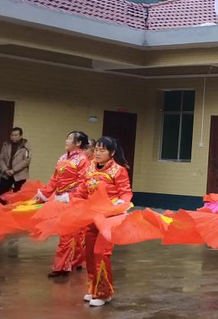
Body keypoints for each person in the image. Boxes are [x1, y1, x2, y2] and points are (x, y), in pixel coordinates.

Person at [74, 136, 133, 307]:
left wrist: (121, 203)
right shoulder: (89, 167)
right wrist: (71, 199)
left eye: (102, 150)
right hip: (91, 216)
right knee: (89, 254)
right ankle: (93, 289)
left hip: (109, 219)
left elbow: (125, 192)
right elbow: (82, 190)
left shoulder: (118, 170)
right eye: (96, 149)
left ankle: (103, 293)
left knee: (101, 253)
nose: (98, 153)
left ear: (112, 153)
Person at [37, 131, 91, 278]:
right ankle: (75, 261)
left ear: (78, 143)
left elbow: (84, 183)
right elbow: (54, 179)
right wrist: (43, 194)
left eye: (69, 139)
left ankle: (61, 267)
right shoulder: (62, 158)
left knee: (68, 235)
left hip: (74, 201)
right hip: (61, 200)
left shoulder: (83, 160)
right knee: (70, 234)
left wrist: (71, 197)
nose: (66, 141)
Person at [0, 127, 31, 202]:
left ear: (21, 136)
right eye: (12, 135)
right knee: (0, 195)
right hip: (6, 174)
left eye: (16, 135)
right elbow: (1, 158)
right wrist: (5, 170)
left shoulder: (26, 146)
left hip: (20, 175)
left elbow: (26, 160)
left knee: (19, 196)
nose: (13, 137)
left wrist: (13, 170)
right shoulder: (6, 145)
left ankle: (15, 209)